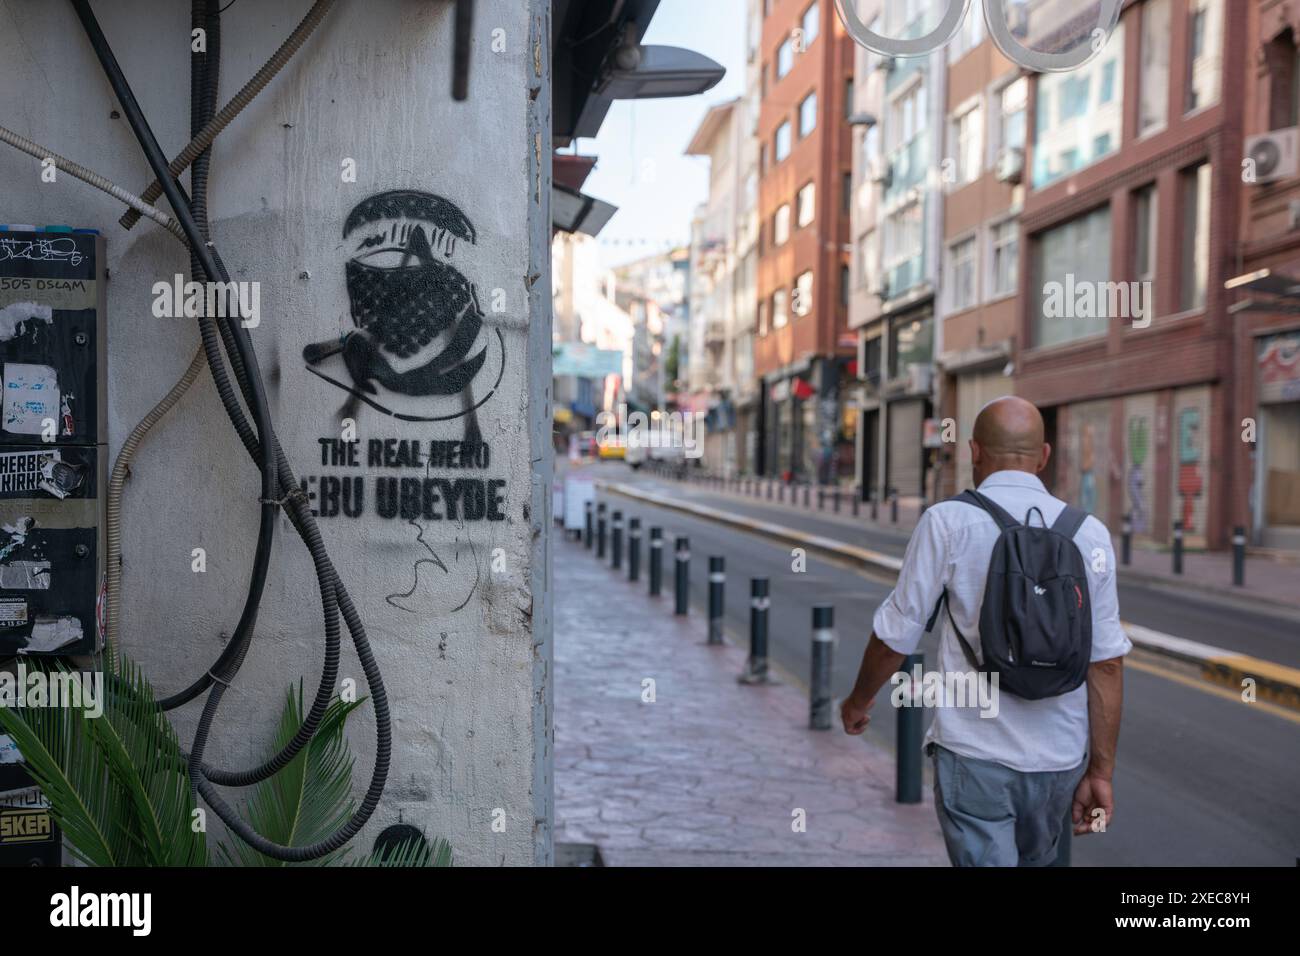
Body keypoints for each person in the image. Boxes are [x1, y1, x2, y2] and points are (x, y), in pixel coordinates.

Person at [840, 396, 1129, 866]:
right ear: (1044, 456)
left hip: (974, 754)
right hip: (1059, 759)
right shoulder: (1089, 533)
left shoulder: (948, 521)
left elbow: (897, 634)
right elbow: (1107, 663)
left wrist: (857, 701)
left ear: (974, 451)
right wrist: (1101, 770)